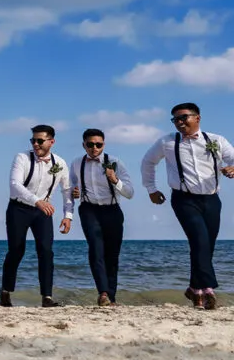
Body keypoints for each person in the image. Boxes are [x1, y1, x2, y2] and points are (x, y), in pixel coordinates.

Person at [141, 103, 234, 310]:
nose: (180, 122)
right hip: (184, 199)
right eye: (175, 119)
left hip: (211, 199)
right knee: (199, 239)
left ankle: (194, 289)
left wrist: (232, 168)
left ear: (197, 118)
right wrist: (151, 189)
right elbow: (148, 162)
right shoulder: (166, 142)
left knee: (205, 244)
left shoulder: (216, 140)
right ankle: (208, 288)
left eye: (183, 117)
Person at [0, 124, 71, 308]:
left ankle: (46, 297)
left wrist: (67, 215)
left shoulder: (60, 164)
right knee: (16, 250)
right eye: (33, 140)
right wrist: (36, 200)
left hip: (42, 211)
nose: (36, 144)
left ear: (52, 142)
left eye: (40, 140)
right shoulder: (22, 157)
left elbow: (67, 191)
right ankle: (6, 291)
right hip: (19, 208)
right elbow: (15, 184)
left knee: (46, 251)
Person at [70, 128, 134, 306]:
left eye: (98, 144)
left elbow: (130, 193)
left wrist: (115, 180)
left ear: (103, 144)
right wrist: (74, 192)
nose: (94, 148)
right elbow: (71, 186)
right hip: (88, 209)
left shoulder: (115, 162)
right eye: (90, 144)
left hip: (112, 210)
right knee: (95, 249)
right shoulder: (76, 163)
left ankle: (111, 297)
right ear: (84, 145)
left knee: (112, 255)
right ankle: (103, 293)